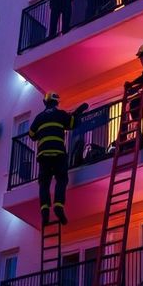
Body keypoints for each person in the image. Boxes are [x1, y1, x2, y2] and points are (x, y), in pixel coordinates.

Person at [29, 92, 89, 225]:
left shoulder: (39, 117)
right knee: (61, 179)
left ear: (45, 103)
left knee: (44, 184)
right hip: (58, 153)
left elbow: (31, 134)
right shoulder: (61, 114)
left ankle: (45, 211)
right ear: (56, 102)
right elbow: (73, 124)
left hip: (43, 155)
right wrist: (78, 112)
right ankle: (58, 206)